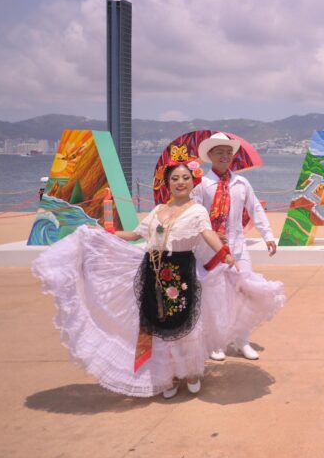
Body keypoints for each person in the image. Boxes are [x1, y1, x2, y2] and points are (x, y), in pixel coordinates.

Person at [33, 162, 238, 398]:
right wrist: (103, 234)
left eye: (185, 178)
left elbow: (208, 233)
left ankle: (190, 372)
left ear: (193, 182)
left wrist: (225, 253)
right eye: (175, 178)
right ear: (167, 183)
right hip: (151, 271)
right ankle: (168, 375)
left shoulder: (197, 210)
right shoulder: (158, 210)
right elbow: (133, 235)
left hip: (180, 273)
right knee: (157, 326)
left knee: (182, 325)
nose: (180, 182)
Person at [192, 132, 279, 361]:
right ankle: (216, 342)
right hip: (209, 251)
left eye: (228, 152)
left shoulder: (241, 183)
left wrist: (268, 235)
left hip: (238, 248)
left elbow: (255, 209)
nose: (225, 156)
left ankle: (242, 341)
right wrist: (209, 236)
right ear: (209, 155)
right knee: (215, 296)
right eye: (219, 152)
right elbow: (194, 216)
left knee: (245, 293)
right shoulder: (201, 184)